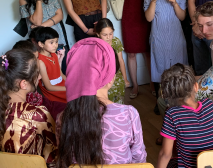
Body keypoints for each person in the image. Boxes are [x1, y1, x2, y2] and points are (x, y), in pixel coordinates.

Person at [56, 38, 146, 167]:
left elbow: (65, 160)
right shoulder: (128, 114)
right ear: (111, 78)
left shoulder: (62, 117)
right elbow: (139, 159)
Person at [157, 64, 213, 168]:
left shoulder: (172, 114)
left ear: (167, 95)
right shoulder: (209, 104)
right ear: (196, 87)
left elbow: (165, 154)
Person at [0, 49, 57, 167]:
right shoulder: (38, 114)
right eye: (37, 74)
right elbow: (53, 156)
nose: (40, 76)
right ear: (23, 84)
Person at [144, 0, 189, 113]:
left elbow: (182, 16)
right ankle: (161, 102)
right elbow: (148, 18)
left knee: (178, 69)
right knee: (159, 68)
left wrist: (174, 3)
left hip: (176, 35)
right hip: (158, 36)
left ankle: (180, 103)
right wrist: (153, 0)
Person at [111, 0, 153, 99]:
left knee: (147, 52)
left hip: (144, 14)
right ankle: (135, 85)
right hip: (129, 16)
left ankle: (152, 83)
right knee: (131, 53)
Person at [12, 40, 66, 121]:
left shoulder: (30, 75)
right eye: (36, 58)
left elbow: (60, 74)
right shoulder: (24, 83)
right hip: (40, 107)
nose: (39, 60)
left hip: (43, 102)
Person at [95, 18, 130, 104]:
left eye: (111, 34)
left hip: (117, 78)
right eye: (105, 34)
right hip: (104, 81)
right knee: (106, 105)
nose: (108, 37)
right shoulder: (96, 46)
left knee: (119, 103)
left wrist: (125, 79)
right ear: (98, 34)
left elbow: (121, 60)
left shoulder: (116, 41)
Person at [36, 27, 67, 103]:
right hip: (54, 93)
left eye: (56, 42)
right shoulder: (40, 61)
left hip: (62, 86)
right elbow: (49, 87)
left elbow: (61, 75)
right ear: (41, 44)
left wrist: (72, 83)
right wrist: (69, 88)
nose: (55, 45)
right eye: (51, 42)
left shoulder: (54, 55)